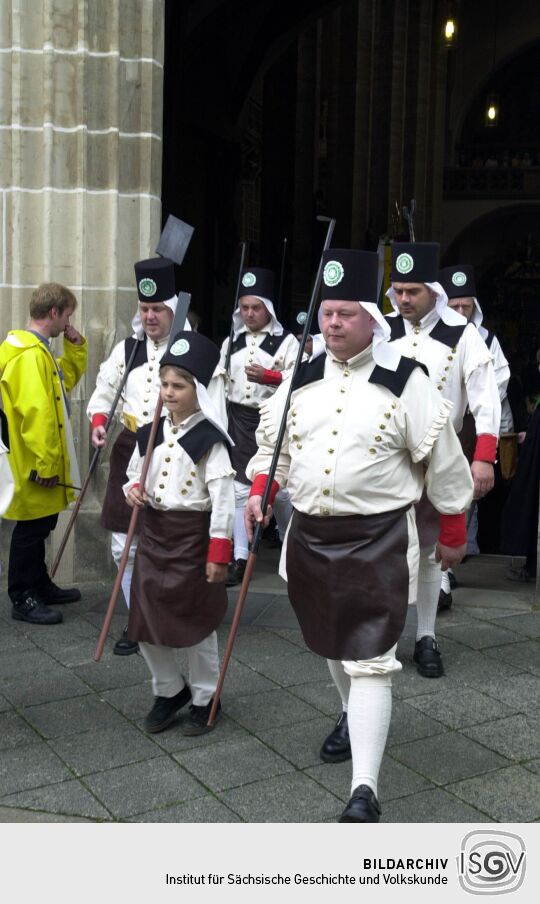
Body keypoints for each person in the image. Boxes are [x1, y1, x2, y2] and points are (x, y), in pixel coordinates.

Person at [245, 249, 473, 822]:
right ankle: (351, 716)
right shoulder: (300, 376)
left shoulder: (406, 380)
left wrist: (452, 528)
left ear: (374, 317)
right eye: (326, 314)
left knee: (370, 657)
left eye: (346, 313)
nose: (333, 323)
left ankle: (364, 789)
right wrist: (258, 490)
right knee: (331, 643)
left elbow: (445, 462)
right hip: (311, 538)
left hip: (379, 541)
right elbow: (272, 448)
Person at [385, 243, 500, 677]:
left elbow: (486, 400)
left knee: (433, 553)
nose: (403, 300)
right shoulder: (383, 330)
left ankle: (427, 635)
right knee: (390, 550)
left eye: (412, 291)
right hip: (390, 458)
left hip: (441, 455)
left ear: (433, 291)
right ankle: (388, 634)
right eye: (397, 291)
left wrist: (484, 458)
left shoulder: (462, 334)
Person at [123, 331, 235, 735]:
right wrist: (133, 490)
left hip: (192, 538)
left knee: (196, 624)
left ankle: (207, 696)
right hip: (154, 535)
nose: (168, 393)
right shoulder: (149, 432)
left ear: (198, 389)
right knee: (144, 618)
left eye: (179, 386)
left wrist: (219, 553)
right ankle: (169, 689)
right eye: (164, 384)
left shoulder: (209, 440)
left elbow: (223, 500)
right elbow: (133, 475)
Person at [87, 257, 179, 655]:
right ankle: (136, 620)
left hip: (174, 450)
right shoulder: (129, 348)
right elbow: (105, 389)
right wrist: (98, 420)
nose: (151, 316)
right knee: (123, 543)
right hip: (129, 446)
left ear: (173, 308)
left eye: (158, 308)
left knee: (166, 544)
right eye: (145, 309)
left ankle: (166, 616)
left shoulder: (188, 348)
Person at [0, 283, 87, 624]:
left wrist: (76, 348)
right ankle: (22, 596)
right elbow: (36, 415)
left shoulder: (40, 351)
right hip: (33, 462)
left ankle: (38, 584)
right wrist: (47, 463)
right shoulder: (30, 355)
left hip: (36, 460)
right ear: (54, 312)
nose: (68, 322)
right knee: (30, 528)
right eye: (67, 315)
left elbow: (60, 385)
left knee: (42, 523)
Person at [438, 263, 513, 607]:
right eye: (454, 307)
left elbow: (499, 378)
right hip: (438, 421)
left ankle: (448, 561)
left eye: (466, 307)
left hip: (469, 422)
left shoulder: (487, 340)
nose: (460, 312)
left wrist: (473, 393)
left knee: (460, 490)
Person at [219, 267, 299, 585]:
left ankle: (291, 549)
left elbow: (301, 380)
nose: (249, 313)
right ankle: (240, 556)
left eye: (256, 307)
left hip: (274, 420)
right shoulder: (233, 341)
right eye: (245, 307)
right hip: (238, 419)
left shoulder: (287, 341)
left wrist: (271, 377)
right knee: (239, 489)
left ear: (269, 308)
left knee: (278, 492)